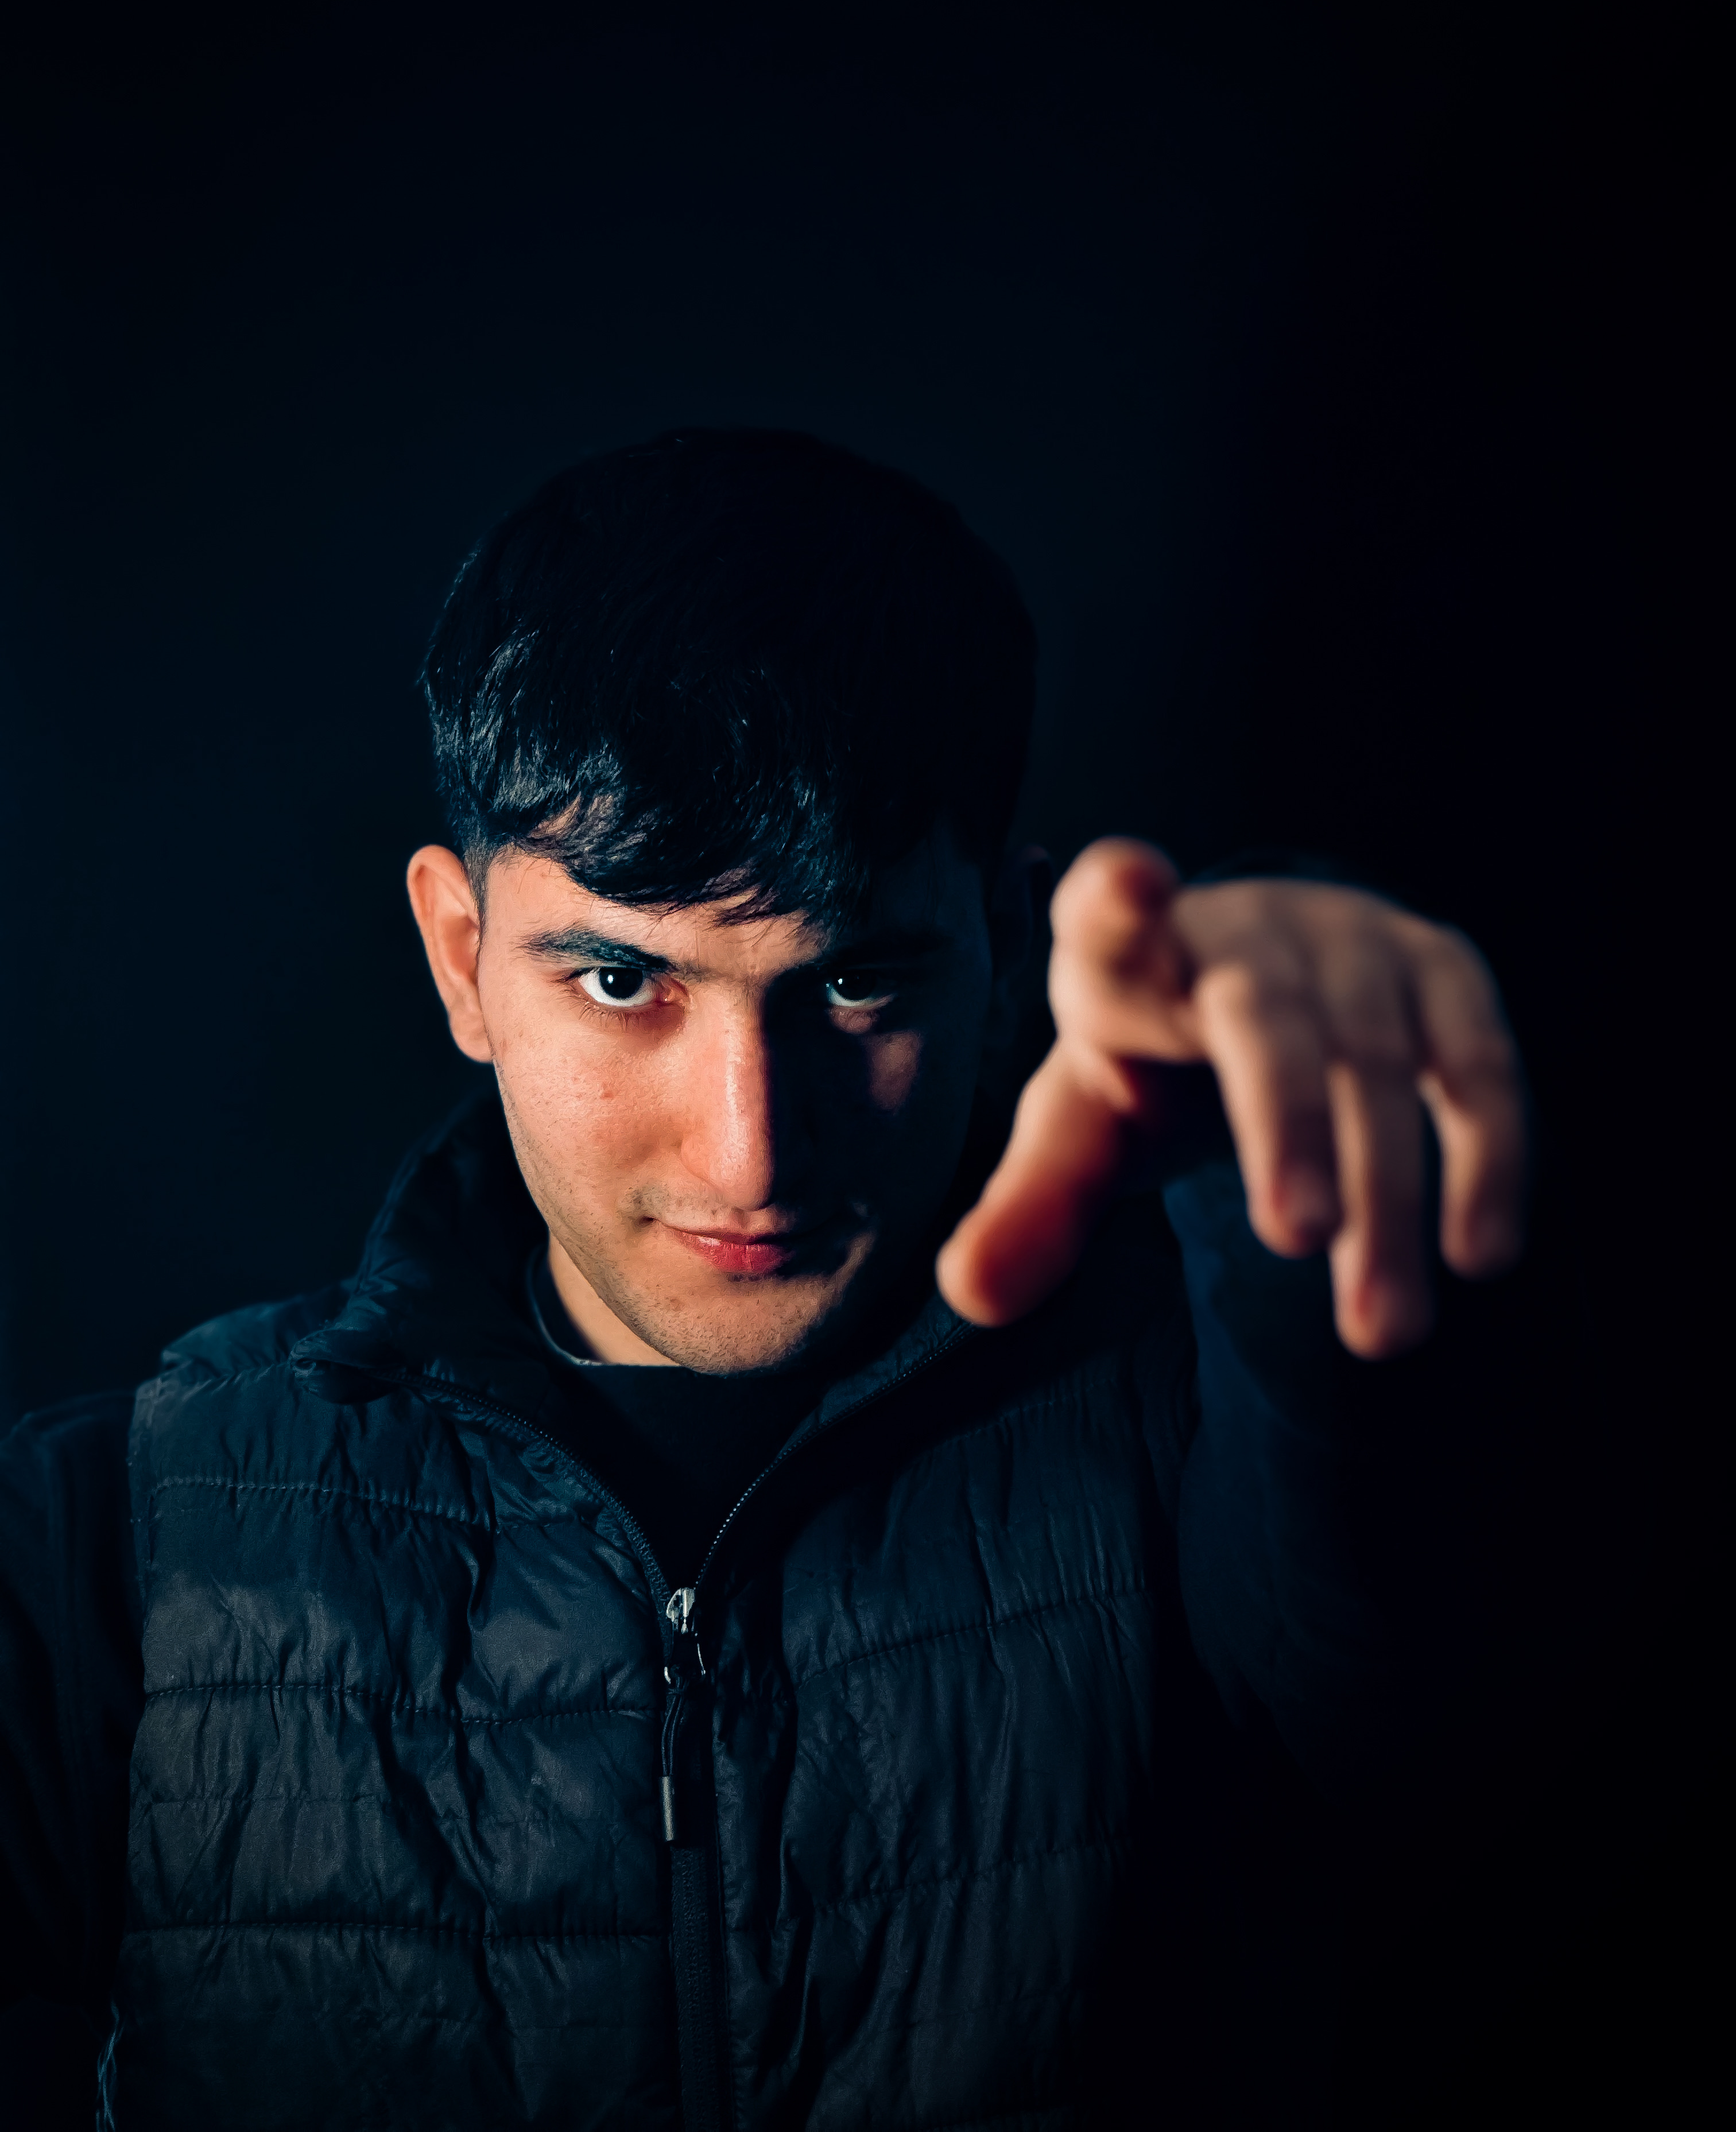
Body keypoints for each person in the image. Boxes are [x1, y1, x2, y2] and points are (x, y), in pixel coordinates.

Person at [0, 429, 1528, 2128]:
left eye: (860, 985)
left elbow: (1431, 1682)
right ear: (463, 959)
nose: (752, 1154)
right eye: (621, 980)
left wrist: (1295, 1164)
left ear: (1007, 953)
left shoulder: (1207, 1464)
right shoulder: (109, 1538)